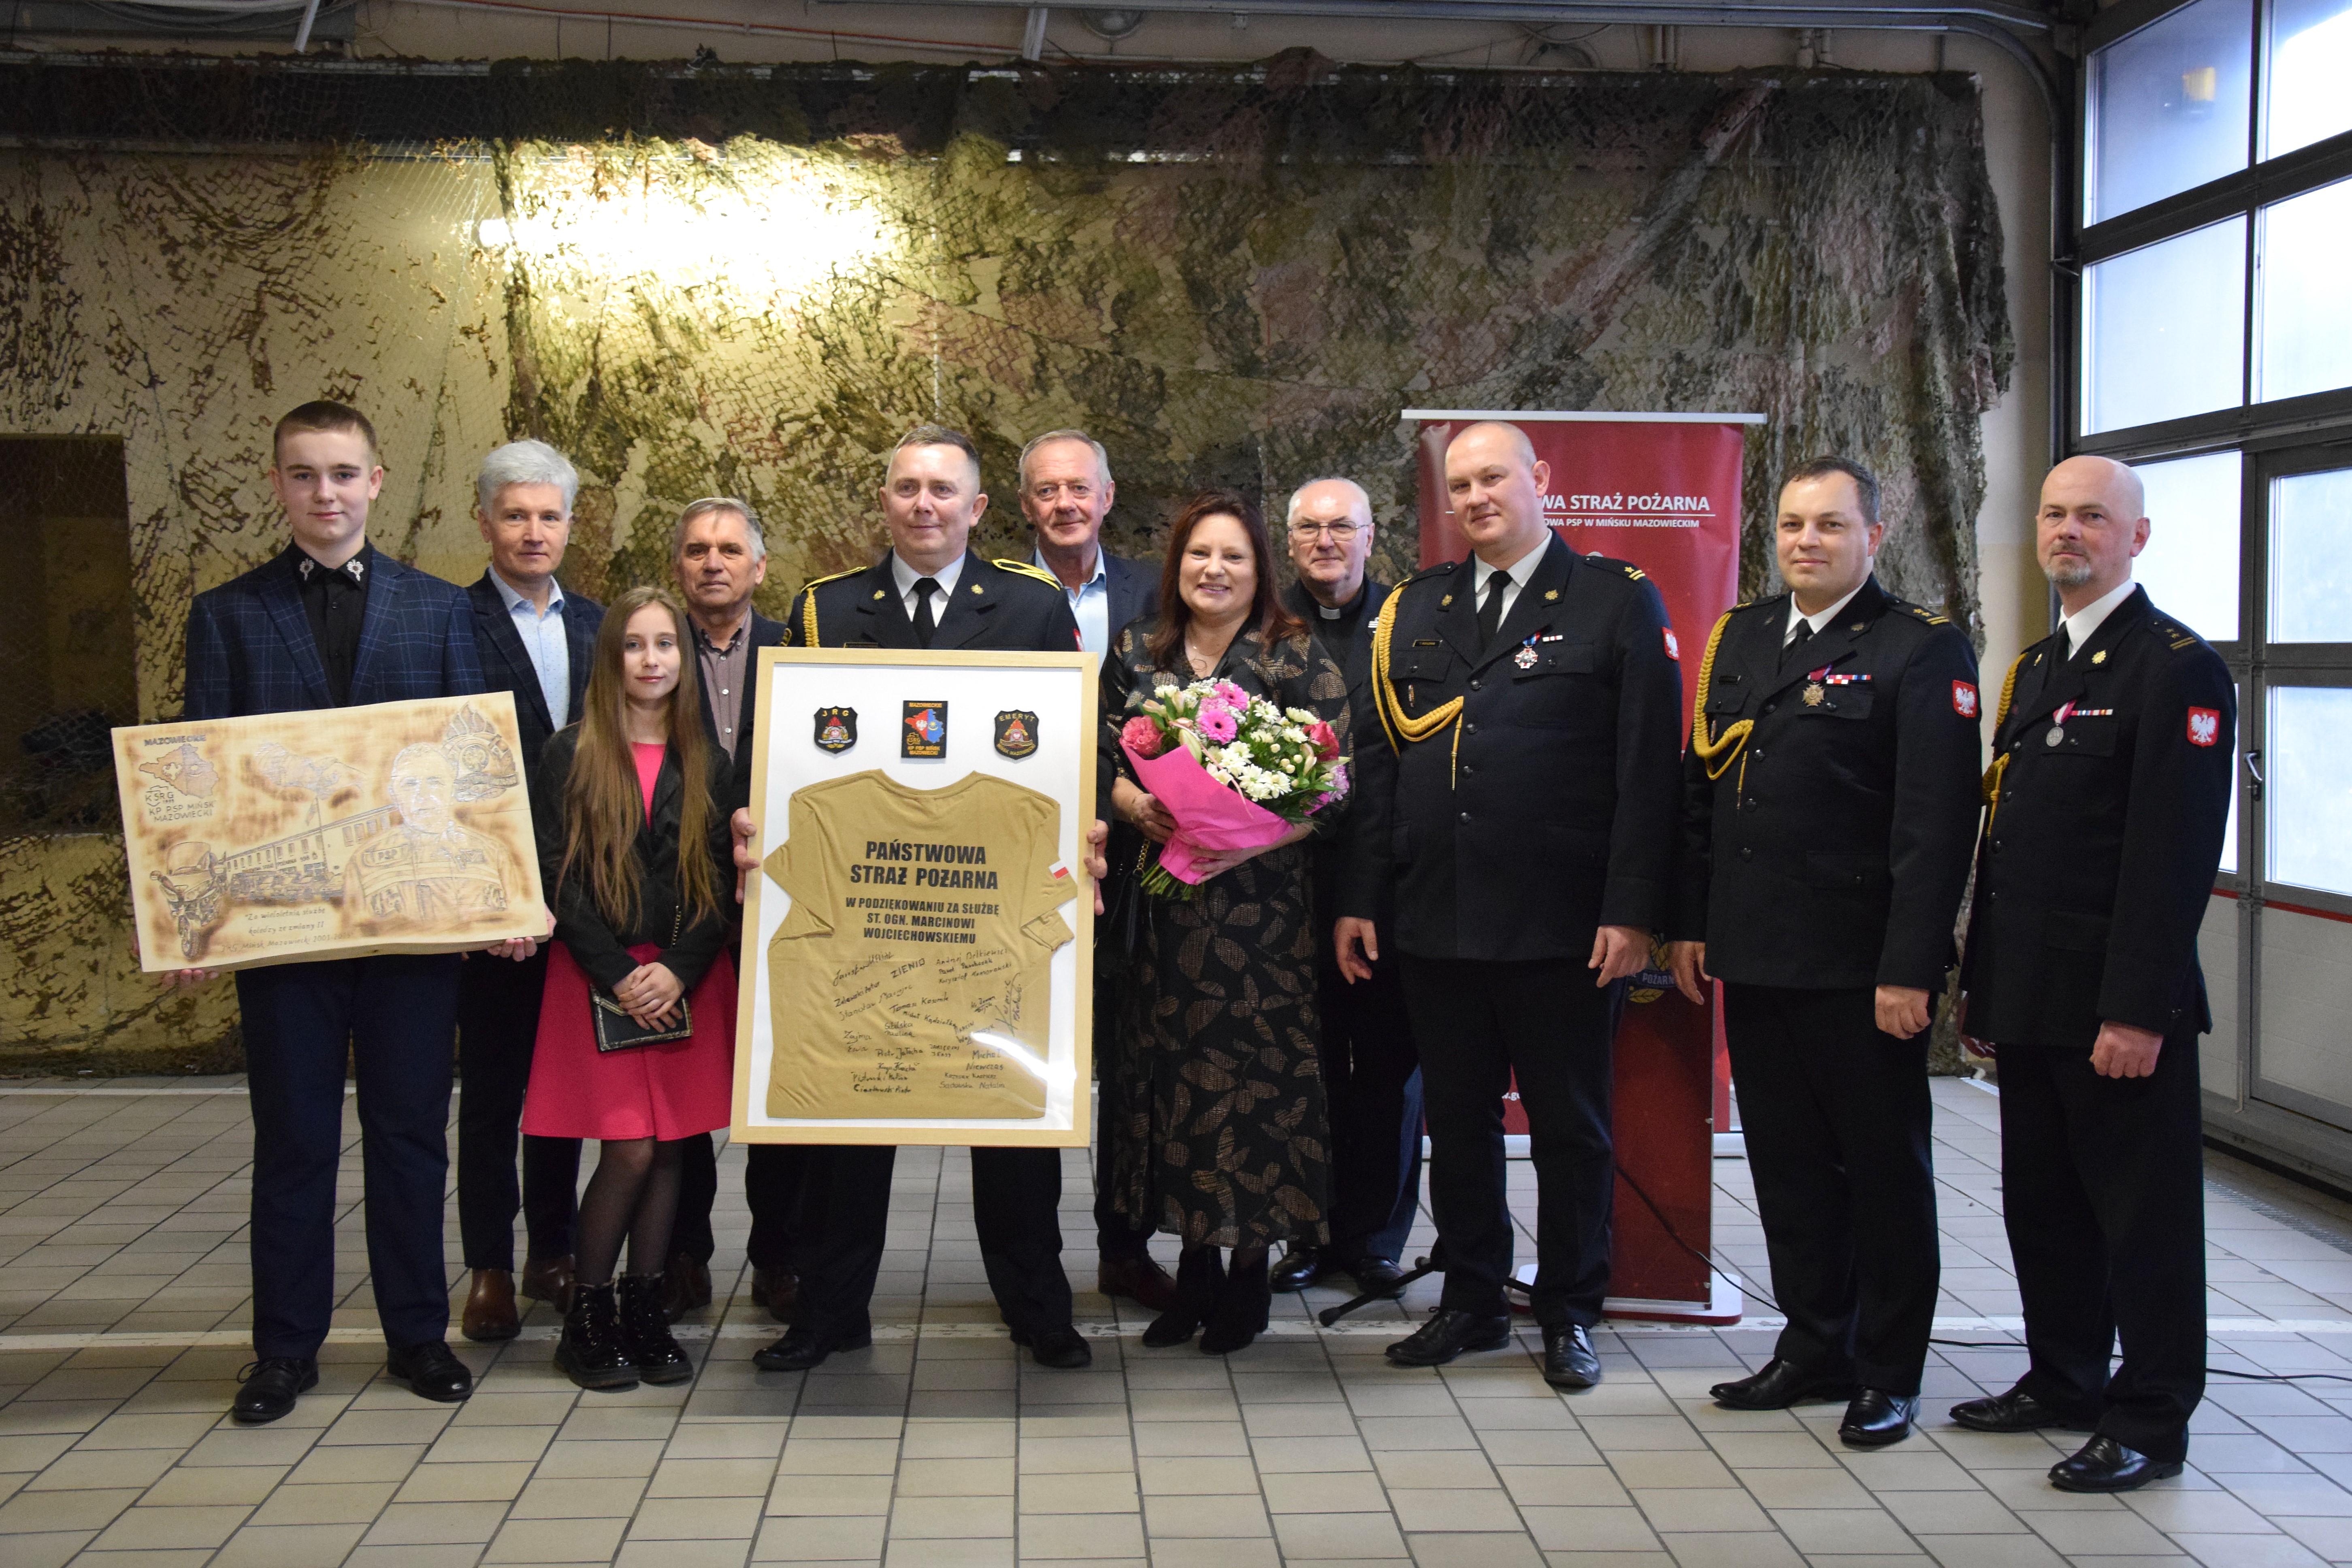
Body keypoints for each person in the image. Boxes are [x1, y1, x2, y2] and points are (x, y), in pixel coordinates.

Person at [176, 400, 532, 1425]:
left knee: (410, 1132)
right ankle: (284, 1349)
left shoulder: (440, 609)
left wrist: (503, 896)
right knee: (293, 1139)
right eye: (304, 474)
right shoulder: (228, 614)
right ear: (278, 485)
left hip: (409, 923)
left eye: (342, 473)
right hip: (284, 930)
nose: (324, 493)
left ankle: (417, 1334)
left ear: (376, 482)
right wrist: (191, 920)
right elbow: (198, 777)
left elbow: (474, 766)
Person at [1336, 421, 1682, 1388]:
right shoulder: (1416, 606)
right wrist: (1362, 897)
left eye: (1494, 477)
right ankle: (1474, 1298)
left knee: (1570, 1127)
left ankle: (1570, 1307)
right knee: (1458, 1121)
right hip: (1437, 916)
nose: (1476, 497)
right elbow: (1377, 765)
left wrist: (1633, 910)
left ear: (1541, 478)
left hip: (1564, 923)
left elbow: (1649, 768)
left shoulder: (1615, 599)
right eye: (1460, 484)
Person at [746, 424, 1091, 1374]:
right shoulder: (825, 609)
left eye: (944, 490)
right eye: (907, 488)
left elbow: (1072, 746)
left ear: (978, 508)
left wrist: (1084, 837)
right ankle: (830, 1312)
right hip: (870, 908)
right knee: (850, 1115)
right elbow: (784, 749)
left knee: (1009, 1110)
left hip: (988, 906)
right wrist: (753, 816)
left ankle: (1039, 1308)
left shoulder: (1032, 605)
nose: (924, 505)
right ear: (885, 502)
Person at [1667, 457, 1981, 1447]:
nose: (1807, 541)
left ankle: (1888, 1369)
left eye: (1831, 525)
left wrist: (1910, 966)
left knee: (1884, 1175)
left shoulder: (1918, 648)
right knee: (1790, 1168)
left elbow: (1935, 829)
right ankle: (1814, 1345)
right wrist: (1692, 920)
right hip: (1758, 953)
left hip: (1860, 968)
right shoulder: (1746, 635)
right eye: (1794, 524)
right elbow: (1705, 790)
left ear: (1872, 537)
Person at [1951, 455, 2233, 1493]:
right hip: (2033, 997)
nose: (2067, 531)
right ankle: (2064, 1377)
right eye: (2054, 514)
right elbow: (2012, 846)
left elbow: (2173, 859)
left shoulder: (2175, 668)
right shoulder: (2039, 666)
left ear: (2137, 537)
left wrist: (2137, 1009)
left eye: (2093, 517)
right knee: (2046, 1205)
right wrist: (1986, 989)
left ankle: (2152, 1416)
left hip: (2116, 1006)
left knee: (2143, 1221)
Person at [1099, 491, 1349, 1354]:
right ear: (1177, 565)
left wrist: (1240, 842)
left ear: (1259, 569)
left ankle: (1248, 1271)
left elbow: (1335, 785)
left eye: (1233, 556)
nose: (1214, 570)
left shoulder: (1293, 652)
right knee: (1174, 1087)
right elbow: (1099, 756)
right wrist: (1135, 805)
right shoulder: (1139, 648)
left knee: (1253, 1090)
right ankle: (1193, 1268)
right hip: (1163, 913)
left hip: (1261, 921)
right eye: (1200, 554)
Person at [523, 586, 738, 1392]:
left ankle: (646, 1311)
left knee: (673, 1146)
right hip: (598, 978)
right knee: (631, 1146)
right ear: (610, 657)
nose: (652, 660)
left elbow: (722, 884)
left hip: (683, 977)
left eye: (666, 645)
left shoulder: (709, 760)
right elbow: (557, 876)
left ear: (684, 658)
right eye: (635, 645)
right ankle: (588, 1313)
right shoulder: (569, 753)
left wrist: (678, 968)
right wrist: (618, 972)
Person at [1014, 426, 1175, 1315]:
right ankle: (1034, 1265)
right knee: (1033, 1059)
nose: (1065, 503)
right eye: (1047, 490)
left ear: (1108, 498)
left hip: (1145, 866)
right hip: (1024, 861)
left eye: (1080, 487)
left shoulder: (1161, 589)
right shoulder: (999, 597)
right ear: (1024, 506)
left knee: (1133, 1067)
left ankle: (1125, 1246)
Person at [457, 439, 603, 1343]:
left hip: (584, 897)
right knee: (494, 1091)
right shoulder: (449, 621)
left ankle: (554, 1249)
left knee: (561, 1087)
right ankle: (488, 1266)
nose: (533, 531)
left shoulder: (600, 625)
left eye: (550, 516)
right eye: (516, 515)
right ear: (485, 522)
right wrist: (493, 895)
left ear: (570, 524)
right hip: (493, 903)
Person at [1271, 477, 1421, 1302]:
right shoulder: (1265, 626)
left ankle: (1376, 1240)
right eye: (1309, 528)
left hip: (1388, 887)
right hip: (1287, 886)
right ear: (1289, 540)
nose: (1325, 541)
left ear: (1371, 535)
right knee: (1309, 1066)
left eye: (1342, 527)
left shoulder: (1409, 622)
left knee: (1388, 1072)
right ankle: (1310, 1231)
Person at [668, 498, 792, 1323]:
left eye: (729, 550)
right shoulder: (650, 647)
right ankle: (681, 1253)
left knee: (777, 1080)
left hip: (776, 895)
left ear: (759, 566)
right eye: (696, 550)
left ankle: (778, 1257)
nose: (713, 563)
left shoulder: (798, 651)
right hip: (672, 898)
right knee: (682, 1087)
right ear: (678, 566)